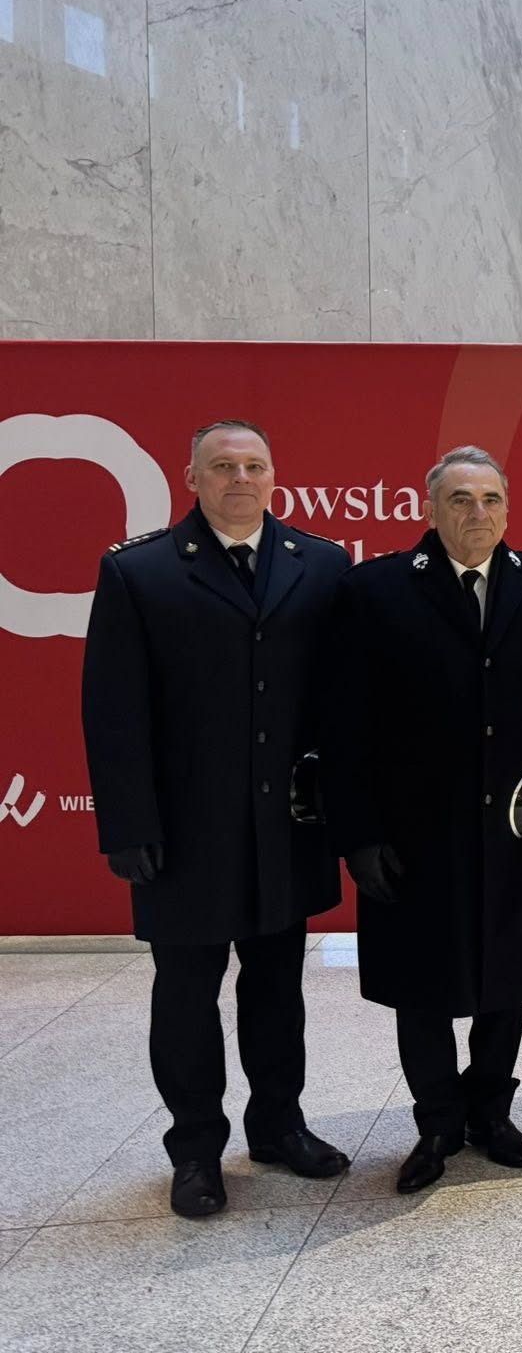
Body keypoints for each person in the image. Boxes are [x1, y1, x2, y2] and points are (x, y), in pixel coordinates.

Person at [324, 446, 522, 1194]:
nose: (476, 513)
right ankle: (436, 1124)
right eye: (460, 499)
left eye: (490, 499)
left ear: (508, 509)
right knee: (421, 985)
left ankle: (491, 1112)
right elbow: (346, 724)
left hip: (515, 832)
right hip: (413, 837)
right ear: (430, 509)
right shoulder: (375, 590)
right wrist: (357, 835)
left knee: (507, 980)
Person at [81, 419, 353, 1218]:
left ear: (274, 477)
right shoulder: (140, 570)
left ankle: (278, 1127)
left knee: (277, 990)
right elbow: (113, 710)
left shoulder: (321, 564)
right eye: (223, 466)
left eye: (254, 465)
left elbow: (340, 699)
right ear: (191, 477)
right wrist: (126, 824)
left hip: (286, 827)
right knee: (186, 996)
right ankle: (196, 1149)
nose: (241, 478)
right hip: (185, 835)